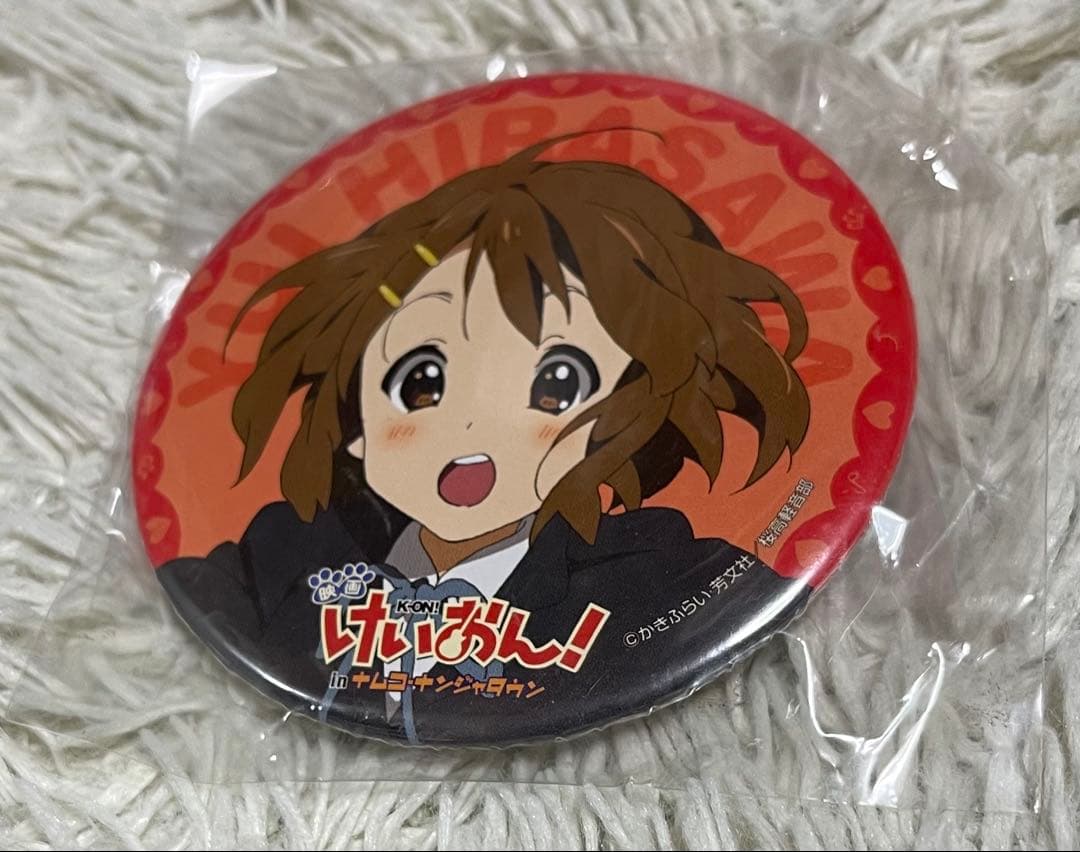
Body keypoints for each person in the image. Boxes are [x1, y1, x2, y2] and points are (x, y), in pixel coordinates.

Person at [159, 132, 813, 745]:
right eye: (420, 382)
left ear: (626, 412)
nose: (471, 429)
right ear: (354, 422)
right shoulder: (278, 559)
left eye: (557, 383)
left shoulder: (655, 576)